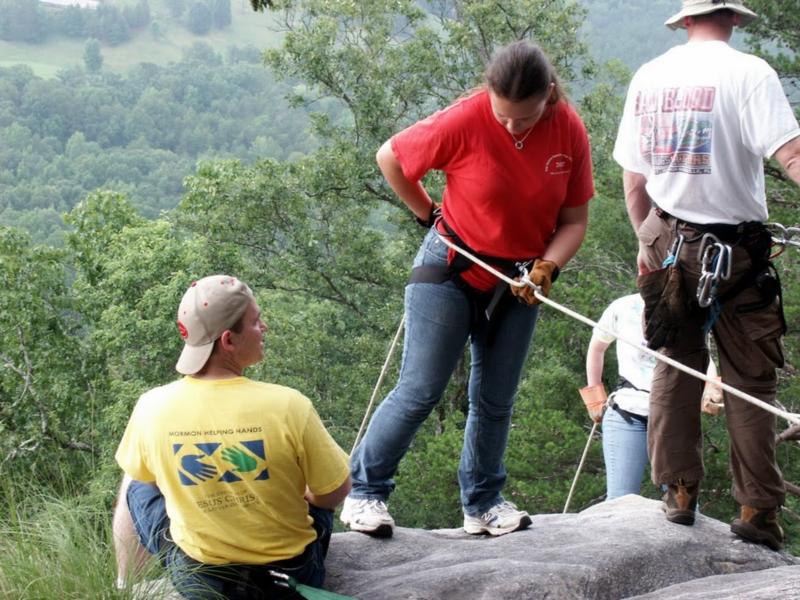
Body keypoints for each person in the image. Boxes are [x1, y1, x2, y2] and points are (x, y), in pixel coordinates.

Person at [341, 40, 594, 538]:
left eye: (523, 118)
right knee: (420, 389)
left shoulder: (567, 129)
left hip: (519, 281)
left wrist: (548, 267)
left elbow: (575, 220)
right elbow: (390, 156)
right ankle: (364, 493)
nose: (512, 127)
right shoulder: (465, 118)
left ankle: (482, 503)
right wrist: (426, 213)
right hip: (452, 266)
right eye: (503, 116)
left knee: (496, 400)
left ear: (549, 95)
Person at [613, 0, 800, 551]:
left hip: (666, 236)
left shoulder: (650, 76)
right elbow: (790, 153)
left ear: (686, 19)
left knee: (676, 361)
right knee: (749, 377)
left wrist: (647, 239)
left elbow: (633, 177)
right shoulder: (749, 73)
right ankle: (757, 508)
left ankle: (678, 492)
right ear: (735, 19)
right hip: (736, 249)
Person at [112, 275, 351, 598]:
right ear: (228, 341)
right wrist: (308, 495)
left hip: (202, 583)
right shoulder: (289, 404)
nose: (264, 328)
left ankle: (125, 585)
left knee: (136, 479)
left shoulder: (151, 407)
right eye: (255, 321)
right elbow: (334, 493)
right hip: (290, 578)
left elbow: (146, 478)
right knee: (318, 484)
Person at [581, 293, 655, 500]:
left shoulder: (687, 306)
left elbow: (703, 356)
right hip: (627, 413)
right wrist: (594, 397)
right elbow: (597, 348)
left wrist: (710, 387)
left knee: (685, 507)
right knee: (621, 499)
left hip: (672, 414)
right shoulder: (623, 307)